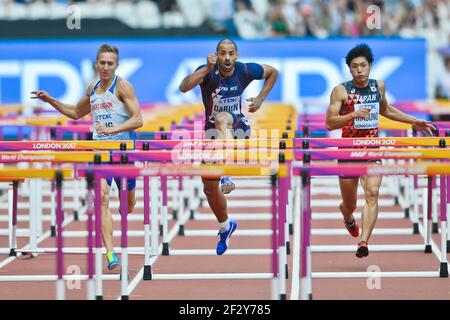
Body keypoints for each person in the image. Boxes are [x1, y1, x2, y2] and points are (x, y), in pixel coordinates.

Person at [31, 44, 143, 270]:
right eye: (102, 62)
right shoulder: (92, 88)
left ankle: (125, 206)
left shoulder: (123, 87)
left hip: (124, 152)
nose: (105, 67)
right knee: (101, 197)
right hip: (99, 152)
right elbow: (75, 112)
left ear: (116, 66)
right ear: (96, 64)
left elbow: (138, 119)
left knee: (126, 207)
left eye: (110, 63)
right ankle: (111, 253)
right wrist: (51, 100)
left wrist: (112, 130)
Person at [325, 43, 435, 258]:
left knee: (372, 193)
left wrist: (415, 122)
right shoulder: (341, 90)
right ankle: (347, 216)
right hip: (348, 151)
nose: (359, 70)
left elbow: (387, 110)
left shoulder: (379, 86)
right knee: (350, 203)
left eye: (363, 65)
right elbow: (330, 123)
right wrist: (352, 116)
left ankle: (363, 241)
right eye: (355, 66)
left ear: (370, 66)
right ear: (349, 69)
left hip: (372, 148)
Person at [179, 39, 278, 255]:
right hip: (212, 133)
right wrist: (206, 69)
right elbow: (184, 87)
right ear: (216, 54)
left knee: (223, 117)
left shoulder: (244, 70)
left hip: (239, 127)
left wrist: (261, 98)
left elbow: (273, 72)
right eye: (222, 54)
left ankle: (225, 175)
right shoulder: (207, 71)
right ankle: (225, 225)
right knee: (208, 188)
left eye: (231, 53)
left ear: (237, 54)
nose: (227, 58)